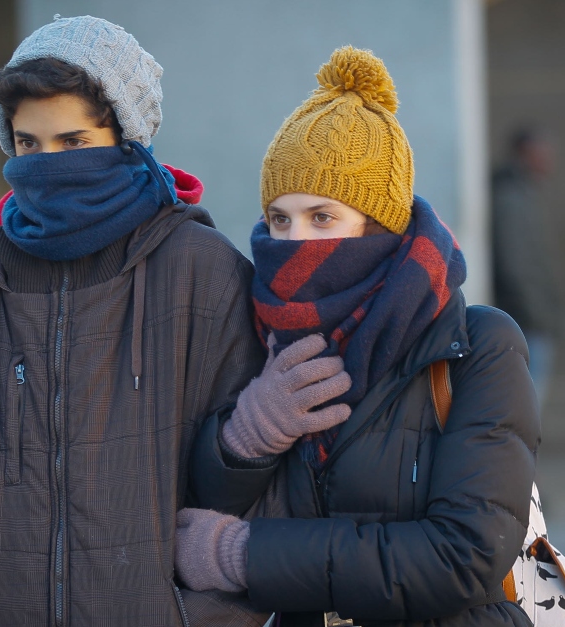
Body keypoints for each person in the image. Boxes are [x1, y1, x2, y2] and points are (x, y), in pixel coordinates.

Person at [0, 16, 269, 626]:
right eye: (29, 144)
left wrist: (193, 620)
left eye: (73, 142)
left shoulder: (205, 279)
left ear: (127, 139)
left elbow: (262, 487)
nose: (48, 165)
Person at [176, 47, 540, 627]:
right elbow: (195, 513)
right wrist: (246, 438)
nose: (293, 241)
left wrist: (243, 555)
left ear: (381, 226)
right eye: (278, 218)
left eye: (323, 217)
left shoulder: (477, 347)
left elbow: (462, 557)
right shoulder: (258, 337)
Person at [491, 127, 562, 404]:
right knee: (524, 406)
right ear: (524, 153)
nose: (548, 160)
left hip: (532, 319)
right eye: (541, 153)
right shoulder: (510, 197)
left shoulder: (525, 193)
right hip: (525, 322)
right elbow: (515, 265)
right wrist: (536, 314)